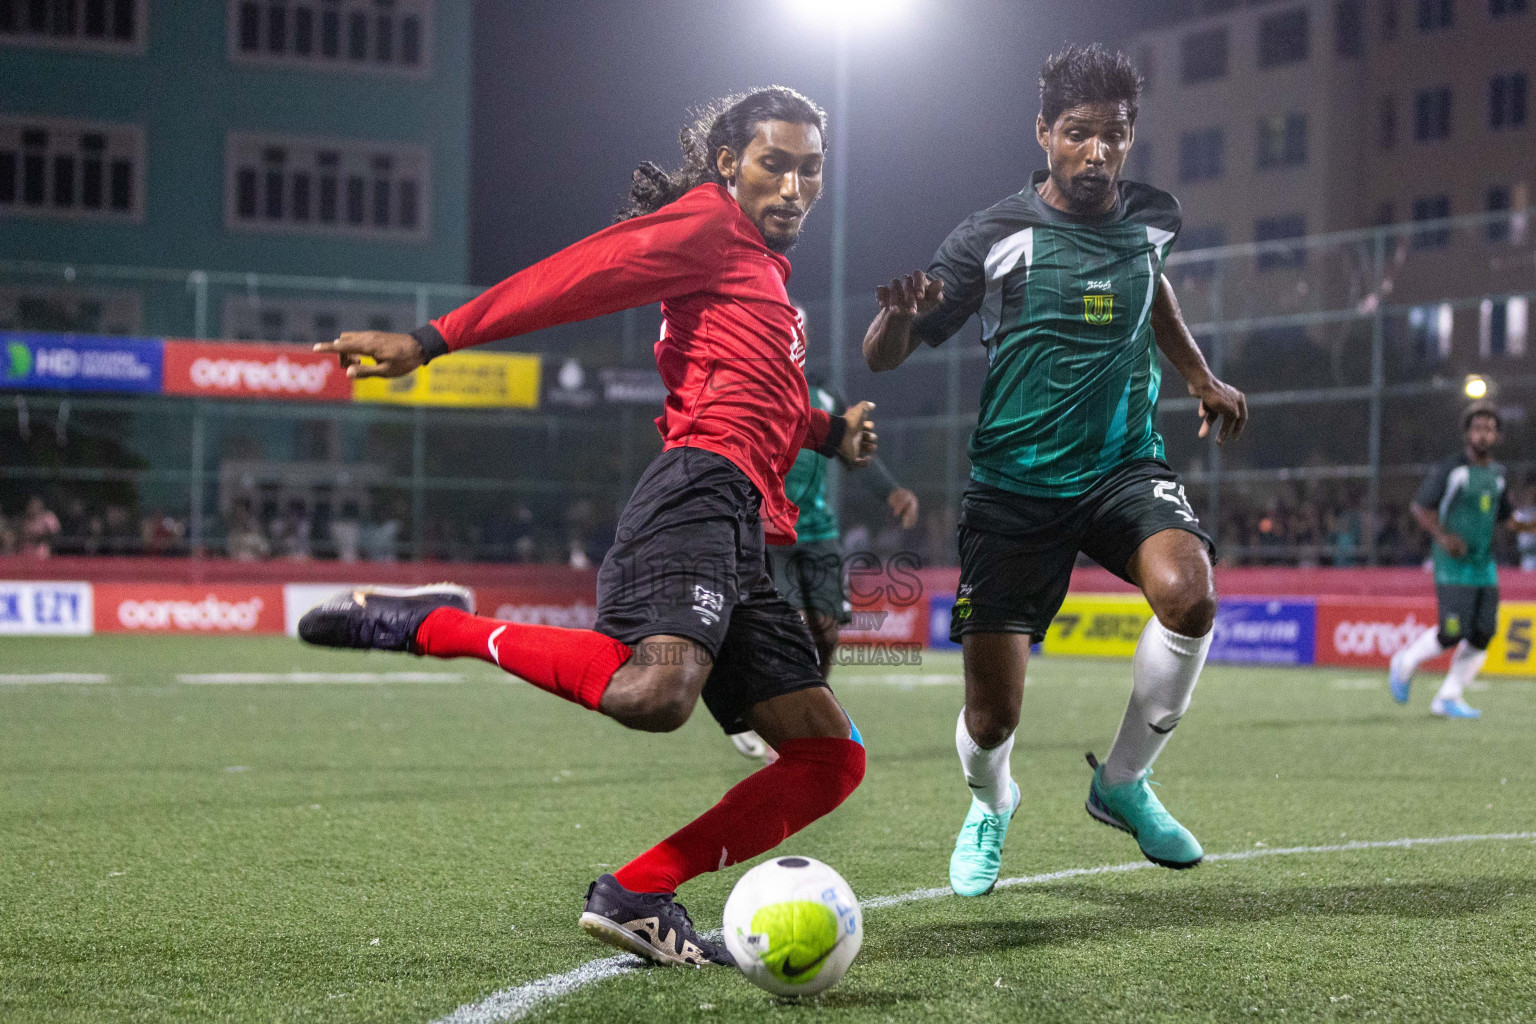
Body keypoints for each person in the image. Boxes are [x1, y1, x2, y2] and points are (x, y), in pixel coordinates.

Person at [299, 87, 872, 967]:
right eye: (774, 163)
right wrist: (432, 339)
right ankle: (432, 624)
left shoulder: (763, 275)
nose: (794, 185)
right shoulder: (709, 227)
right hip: (696, 490)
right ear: (728, 165)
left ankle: (639, 893)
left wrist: (833, 434)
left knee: (829, 758)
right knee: (656, 694)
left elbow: (771, 402)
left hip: (742, 522)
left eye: (810, 169)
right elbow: (577, 276)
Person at [862, 45, 1247, 895]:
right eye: (1079, 134)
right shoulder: (991, 237)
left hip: (1121, 467)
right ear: (1044, 134)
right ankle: (991, 805)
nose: (1098, 153)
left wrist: (1197, 376)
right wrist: (896, 322)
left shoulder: (1155, 215)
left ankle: (1121, 783)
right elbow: (882, 356)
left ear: (1130, 136)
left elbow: (1152, 285)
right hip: (1015, 486)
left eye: (1114, 135)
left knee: (1190, 593)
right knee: (992, 716)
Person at [730, 369, 919, 762]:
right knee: (792, 629)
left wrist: (892, 491)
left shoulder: (826, 397)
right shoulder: (753, 388)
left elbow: (855, 453)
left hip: (820, 532)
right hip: (770, 530)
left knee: (827, 635)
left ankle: (804, 712)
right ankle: (781, 723)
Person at [1388, 403, 1536, 718]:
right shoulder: (1451, 469)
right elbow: (1420, 507)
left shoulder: (1497, 475)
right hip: (1451, 564)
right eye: (1477, 427)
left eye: (1489, 428)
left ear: (1498, 435)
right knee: (1452, 631)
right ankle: (1406, 661)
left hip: (1484, 566)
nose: (1483, 434)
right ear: (1468, 433)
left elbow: (1507, 520)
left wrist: (1529, 525)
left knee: (1483, 633)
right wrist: (1443, 537)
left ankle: (1448, 697)